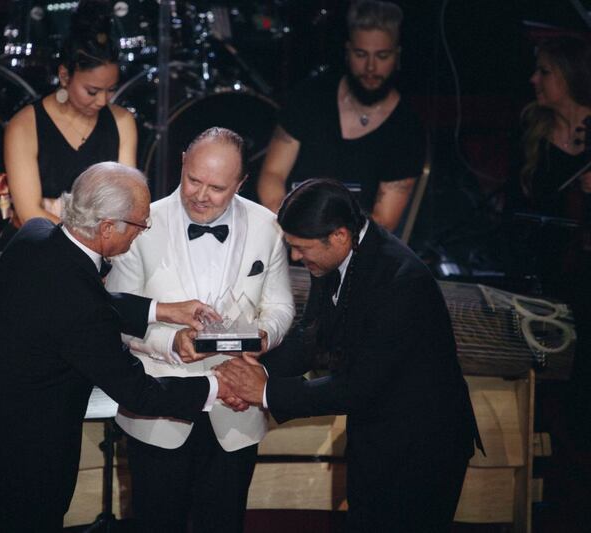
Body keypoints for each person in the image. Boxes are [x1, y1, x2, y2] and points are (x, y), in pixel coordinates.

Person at [0, 162, 246, 532]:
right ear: (107, 228)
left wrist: (163, 310)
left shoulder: (36, 235)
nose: (143, 231)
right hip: (24, 469)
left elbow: (78, 296)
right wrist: (219, 386)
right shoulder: (81, 309)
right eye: (140, 224)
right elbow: (139, 392)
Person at [218, 179, 483, 532]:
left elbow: (359, 387)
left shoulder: (402, 283)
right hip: (375, 440)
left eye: (302, 248)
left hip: (423, 448)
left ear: (340, 236)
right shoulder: (333, 260)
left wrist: (264, 391)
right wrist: (251, 373)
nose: (296, 257)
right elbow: (310, 339)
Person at [105, 128, 295, 533]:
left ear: (241, 183)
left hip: (236, 413)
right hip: (158, 412)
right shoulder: (140, 222)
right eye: (193, 180)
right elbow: (116, 317)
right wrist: (170, 341)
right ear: (182, 163)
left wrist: (264, 337)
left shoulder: (268, 227)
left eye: (217, 187)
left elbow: (280, 306)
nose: (200, 195)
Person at [256, 0, 424, 233]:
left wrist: (325, 247)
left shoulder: (407, 129)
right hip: (287, 234)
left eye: (382, 56)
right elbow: (272, 175)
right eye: (361, 54)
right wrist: (291, 228)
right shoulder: (310, 96)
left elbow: (383, 222)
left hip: (352, 254)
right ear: (347, 51)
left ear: (397, 56)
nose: (371, 68)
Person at [509, 35, 591, 442]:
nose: (534, 79)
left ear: (572, 76)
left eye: (545, 72)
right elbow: (514, 209)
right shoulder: (532, 129)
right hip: (540, 269)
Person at [3, 0, 137, 225]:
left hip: (103, 252)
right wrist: (92, 236)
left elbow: (125, 205)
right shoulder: (25, 125)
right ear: (65, 76)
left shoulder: (122, 121)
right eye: (92, 91)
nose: (103, 101)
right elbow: (29, 215)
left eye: (111, 90)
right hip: (40, 249)